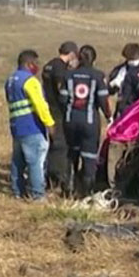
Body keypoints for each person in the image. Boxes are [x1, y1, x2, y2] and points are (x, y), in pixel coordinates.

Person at [60, 45, 112, 196]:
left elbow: (63, 99)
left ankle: (68, 189)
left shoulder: (68, 76)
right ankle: (86, 193)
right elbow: (103, 100)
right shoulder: (97, 75)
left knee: (72, 154)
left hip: (70, 120)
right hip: (89, 122)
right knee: (89, 156)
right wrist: (109, 117)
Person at [5, 50, 56, 201]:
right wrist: (50, 124)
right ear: (29, 64)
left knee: (17, 161)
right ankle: (37, 195)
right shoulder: (30, 81)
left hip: (16, 127)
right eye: (36, 63)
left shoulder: (10, 80)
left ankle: (17, 191)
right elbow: (40, 105)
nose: (37, 67)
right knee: (35, 162)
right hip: (32, 127)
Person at [41, 41, 79, 193]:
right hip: (57, 110)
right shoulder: (59, 68)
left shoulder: (48, 65)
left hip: (49, 107)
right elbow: (60, 88)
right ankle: (56, 179)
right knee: (60, 146)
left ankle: (50, 175)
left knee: (51, 145)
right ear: (71, 54)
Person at [109, 43, 139, 118]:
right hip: (123, 108)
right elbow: (110, 90)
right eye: (129, 58)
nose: (132, 61)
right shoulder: (120, 70)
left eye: (134, 59)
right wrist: (113, 85)